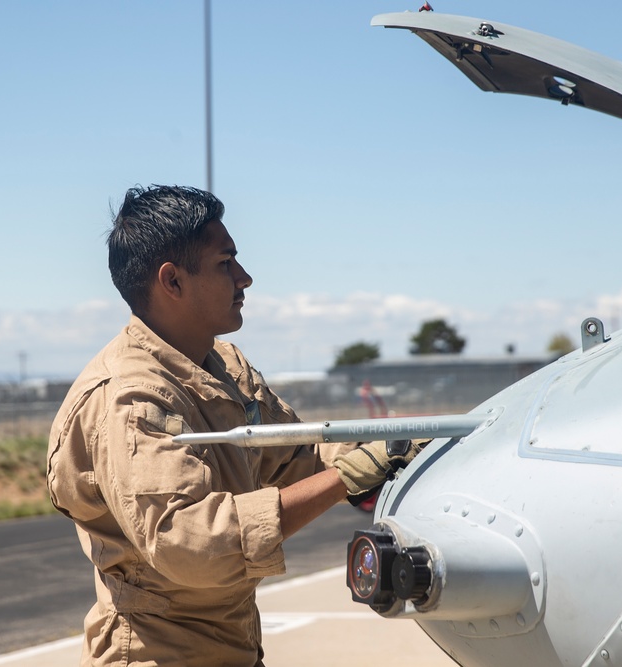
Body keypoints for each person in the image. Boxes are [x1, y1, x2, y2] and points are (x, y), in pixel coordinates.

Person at [46, 185, 423, 666]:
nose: (245, 278)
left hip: (231, 645)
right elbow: (191, 542)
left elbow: (296, 456)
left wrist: (397, 453)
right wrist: (345, 479)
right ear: (173, 281)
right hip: (157, 654)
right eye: (226, 264)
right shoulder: (132, 398)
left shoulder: (219, 366)